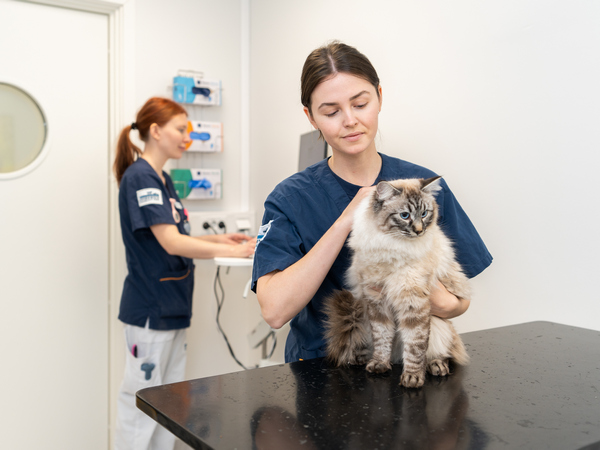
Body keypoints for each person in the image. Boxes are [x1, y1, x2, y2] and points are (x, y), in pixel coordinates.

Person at [251, 41, 492, 363]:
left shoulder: (423, 187)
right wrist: (346, 221)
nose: (349, 120)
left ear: (379, 97)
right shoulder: (291, 199)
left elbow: (456, 303)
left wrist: (428, 293)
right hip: (323, 368)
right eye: (331, 111)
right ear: (311, 117)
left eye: (360, 104)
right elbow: (275, 311)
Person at [113, 97, 255, 450]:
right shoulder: (141, 176)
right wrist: (232, 251)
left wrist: (222, 238)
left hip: (172, 306)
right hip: (150, 308)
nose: (186, 138)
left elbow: (176, 236)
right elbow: (172, 243)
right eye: (180, 129)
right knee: (140, 398)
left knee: (169, 399)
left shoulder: (162, 178)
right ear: (156, 131)